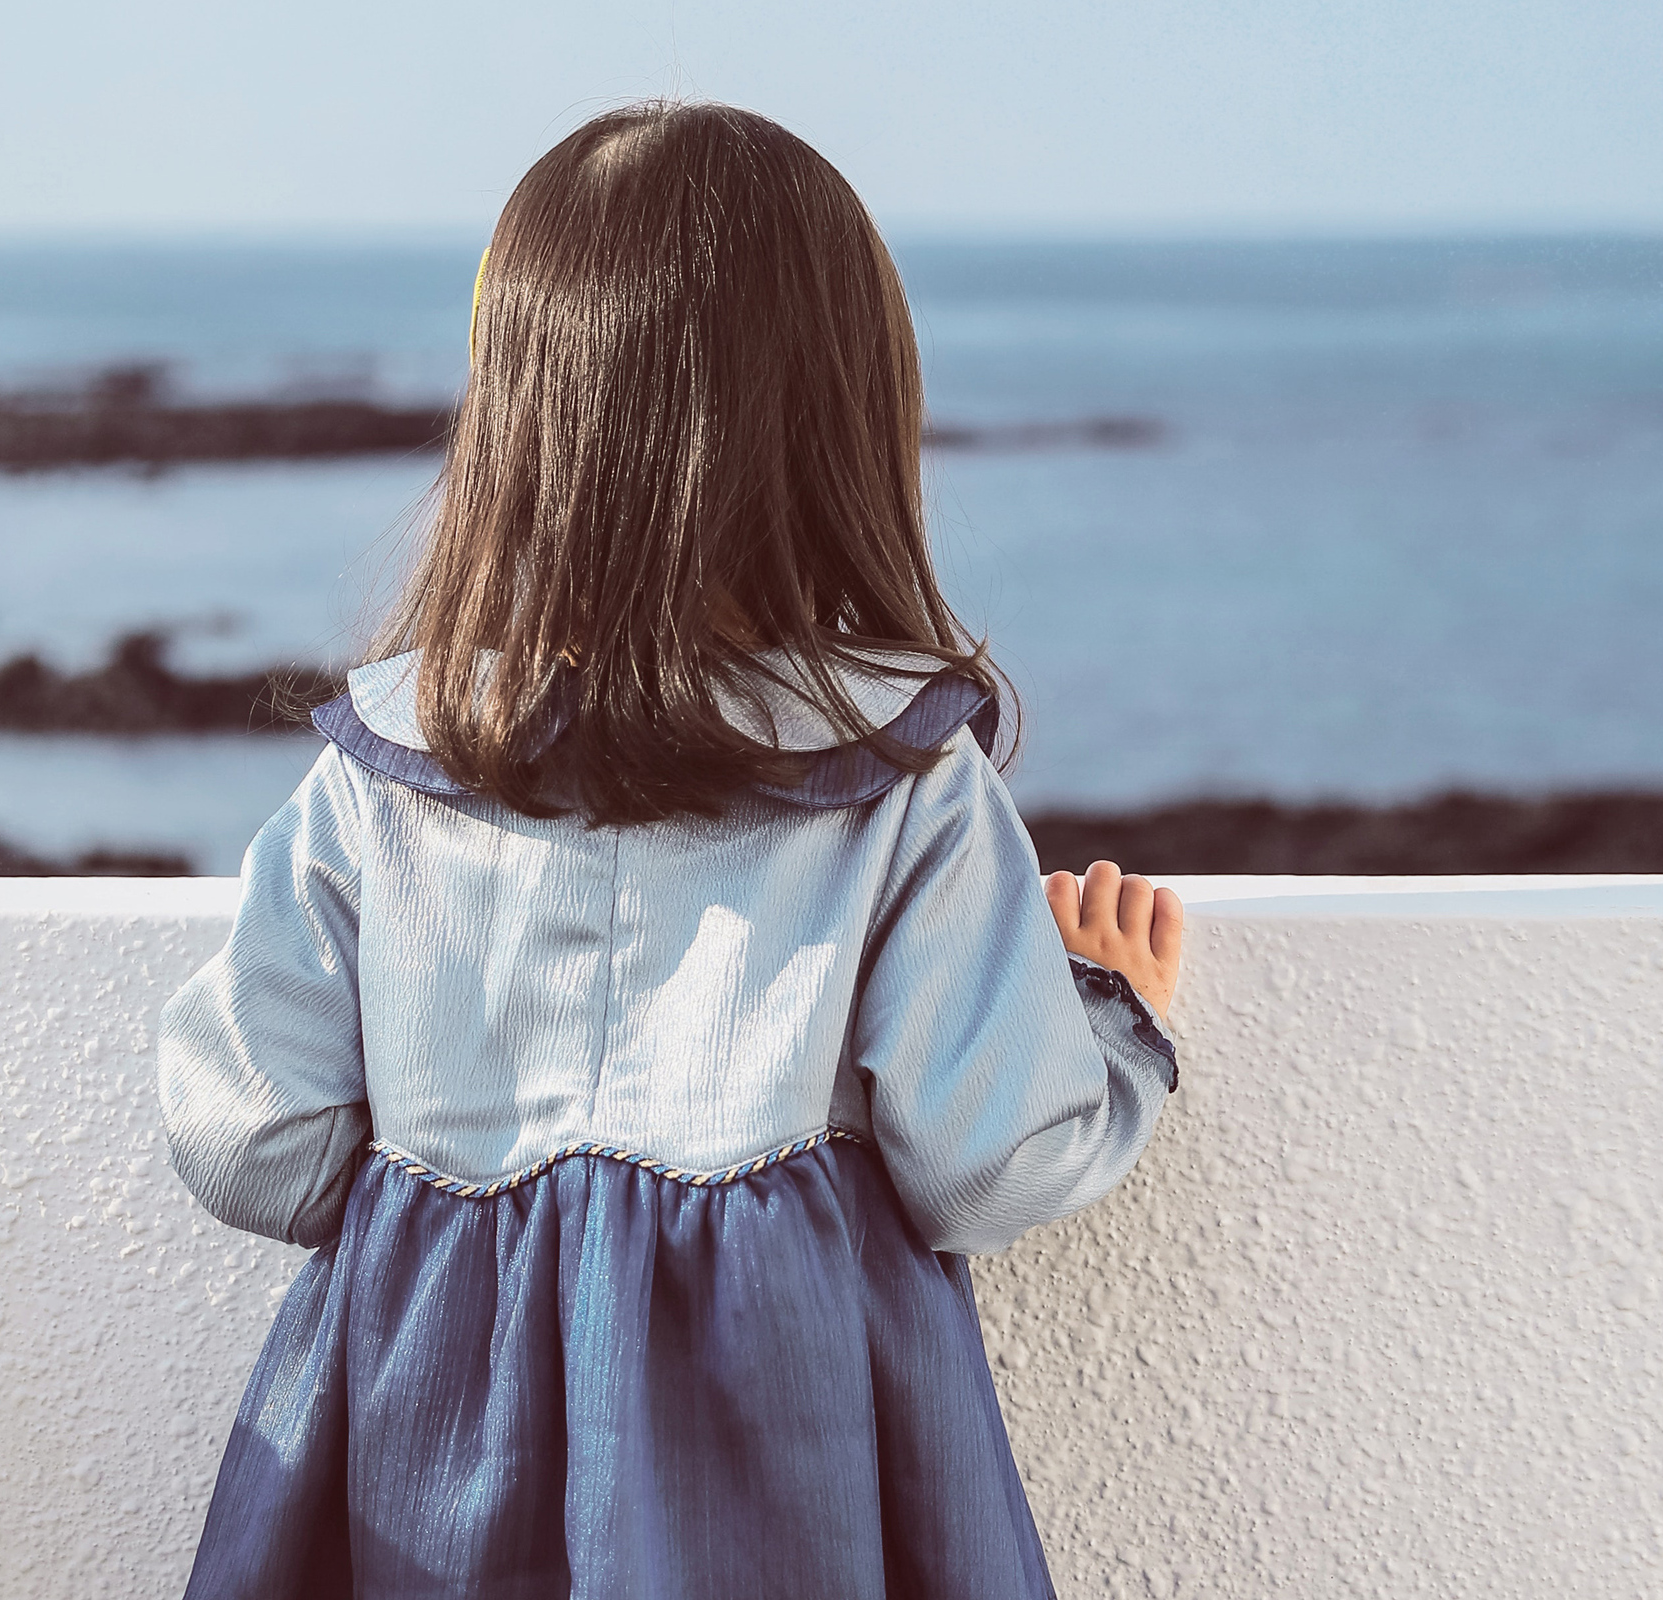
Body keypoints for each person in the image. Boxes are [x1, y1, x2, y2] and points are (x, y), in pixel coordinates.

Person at [157, 100, 1183, 1600]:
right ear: (842, 413)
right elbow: (988, 1164)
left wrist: (462, 1187)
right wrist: (1112, 1021)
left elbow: (254, 1144)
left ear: (520, 416)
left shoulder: (388, 770)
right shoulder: (902, 776)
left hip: (429, 1460)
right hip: (791, 1480)